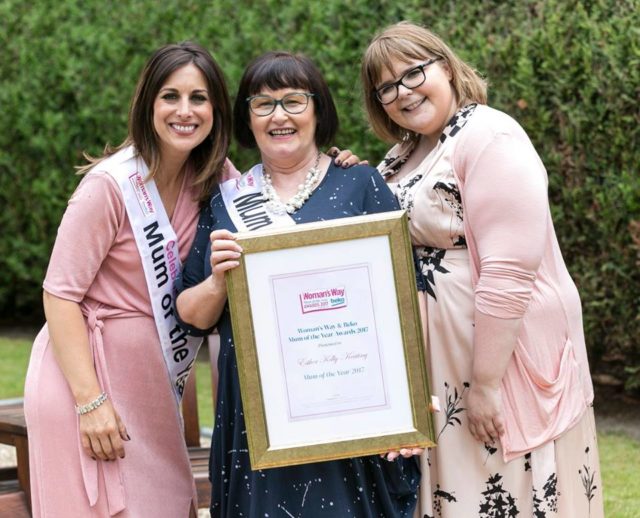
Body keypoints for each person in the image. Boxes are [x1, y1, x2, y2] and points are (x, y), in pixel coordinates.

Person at [361, 21, 604, 517]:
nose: (402, 92)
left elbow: (509, 273)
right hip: (440, 369)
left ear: (446, 68)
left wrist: (486, 386)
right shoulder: (403, 153)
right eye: (386, 86)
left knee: (502, 489)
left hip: (493, 364)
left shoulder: (490, 136)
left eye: (413, 73)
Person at [176, 51, 421, 518]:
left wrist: (404, 406)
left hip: (350, 404)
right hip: (257, 416)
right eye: (263, 104)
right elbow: (190, 311)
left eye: (293, 100)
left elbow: (403, 301)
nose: (279, 116)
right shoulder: (225, 202)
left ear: (318, 109)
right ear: (248, 118)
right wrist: (217, 281)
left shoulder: (362, 184)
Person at [23, 42, 238, 517]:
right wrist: (90, 402)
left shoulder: (217, 178)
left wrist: (331, 170)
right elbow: (59, 295)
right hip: (85, 378)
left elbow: (274, 214)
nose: (185, 111)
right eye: (171, 96)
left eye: (199, 98)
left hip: (153, 389)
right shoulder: (108, 186)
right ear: (148, 104)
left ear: (216, 109)